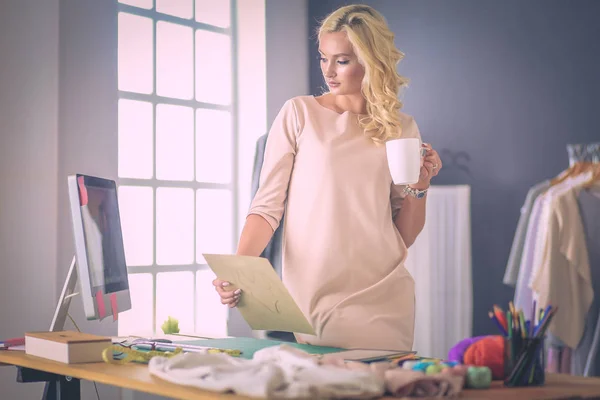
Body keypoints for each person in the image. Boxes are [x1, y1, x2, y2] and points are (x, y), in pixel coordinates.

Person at [213, 4, 442, 351]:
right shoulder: (299, 113)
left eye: (343, 60)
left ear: (371, 61)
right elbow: (266, 207)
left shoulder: (401, 128)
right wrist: (239, 268)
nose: (329, 71)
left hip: (384, 292)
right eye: (324, 58)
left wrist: (420, 188)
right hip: (316, 293)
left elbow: (403, 236)